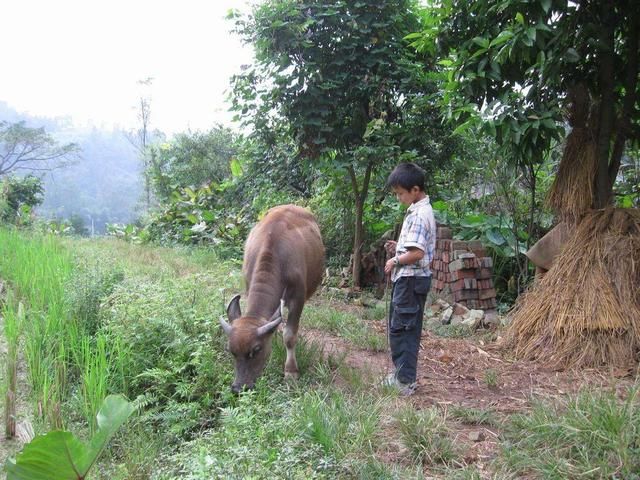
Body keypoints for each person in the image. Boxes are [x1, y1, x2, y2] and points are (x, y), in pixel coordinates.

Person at [382, 162, 436, 395]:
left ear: (415, 190)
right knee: (400, 327)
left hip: (411, 280)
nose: (399, 198)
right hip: (411, 279)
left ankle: (405, 381)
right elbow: (413, 247)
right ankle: (401, 375)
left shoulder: (419, 215)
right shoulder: (418, 210)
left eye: (400, 193)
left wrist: (395, 260)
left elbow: (418, 253)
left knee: (404, 329)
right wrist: (398, 247)